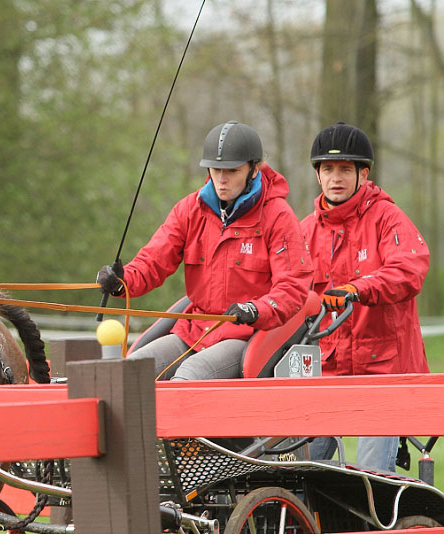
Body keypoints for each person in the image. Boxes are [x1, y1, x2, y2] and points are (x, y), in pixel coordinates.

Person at [97, 121, 312, 381]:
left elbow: (292, 287)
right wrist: (122, 281)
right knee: (129, 371)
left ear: (254, 170)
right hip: (193, 330)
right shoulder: (190, 209)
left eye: (232, 171)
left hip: (244, 333)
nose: (221, 180)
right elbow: (153, 261)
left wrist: (256, 309)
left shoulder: (278, 216)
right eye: (216, 169)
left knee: (190, 373)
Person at [301, 122, 430, 472]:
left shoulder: (388, 218)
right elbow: (284, 291)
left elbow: (410, 269)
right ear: (318, 175)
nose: (336, 177)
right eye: (328, 169)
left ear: (364, 173)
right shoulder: (305, 232)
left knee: (370, 478)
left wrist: (359, 288)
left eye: (345, 169)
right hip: (326, 373)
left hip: (382, 372)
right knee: (298, 472)